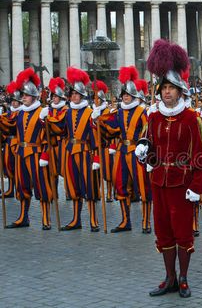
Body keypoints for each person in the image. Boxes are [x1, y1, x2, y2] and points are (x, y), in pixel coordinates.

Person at [136, 39, 202, 298]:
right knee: (163, 232)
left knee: (182, 234)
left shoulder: (192, 119)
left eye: (171, 88)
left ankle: (184, 278)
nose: (167, 92)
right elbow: (149, 146)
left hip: (182, 185)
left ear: (180, 91)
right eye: (163, 88)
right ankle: (169, 278)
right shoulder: (153, 117)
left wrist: (196, 188)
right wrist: (144, 154)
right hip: (159, 183)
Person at [95, 67, 152, 233]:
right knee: (120, 184)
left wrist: (145, 147)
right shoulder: (119, 113)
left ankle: (146, 222)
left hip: (137, 151)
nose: (125, 97)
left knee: (143, 186)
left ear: (134, 96)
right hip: (121, 151)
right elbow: (112, 129)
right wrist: (98, 119)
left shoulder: (142, 112)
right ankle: (125, 221)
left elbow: (148, 131)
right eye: (124, 95)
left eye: (128, 95)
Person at [47, 67, 101, 232]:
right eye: (72, 94)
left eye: (77, 94)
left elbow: (95, 138)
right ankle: (76, 219)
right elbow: (60, 129)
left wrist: (97, 158)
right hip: (70, 152)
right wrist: (46, 121)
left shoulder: (90, 112)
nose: (74, 96)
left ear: (83, 95)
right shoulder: (67, 112)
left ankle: (93, 220)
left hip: (85, 153)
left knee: (89, 186)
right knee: (73, 187)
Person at [0, 68, 52, 229]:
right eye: (22, 95)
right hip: (21, 153)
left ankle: (46, 218)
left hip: (36, 154)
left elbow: (48, 137)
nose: (23, 98)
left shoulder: (41, 112)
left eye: (26, 95)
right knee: (22, 186)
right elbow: (8, 125)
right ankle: (23, 217)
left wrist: (45, 155)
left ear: (34, 96)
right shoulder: (19, 113)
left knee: (41, 185)